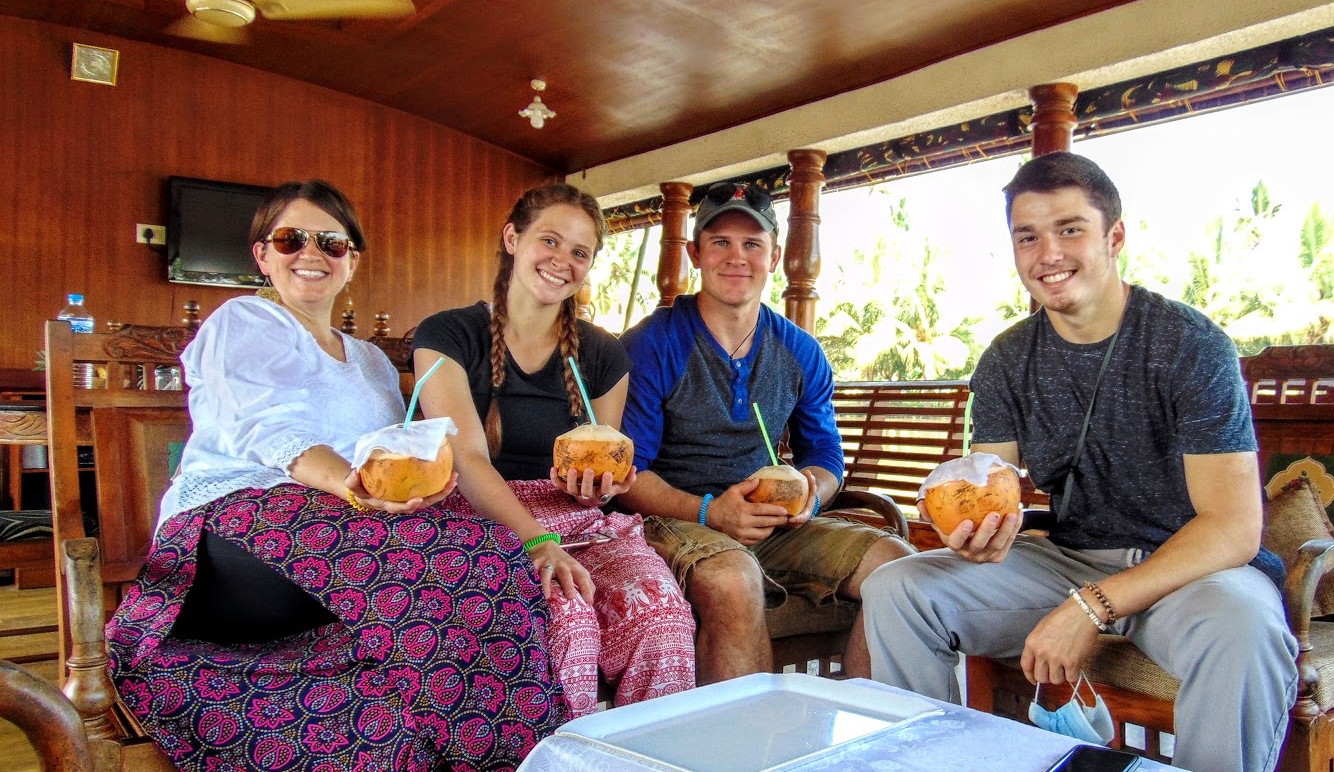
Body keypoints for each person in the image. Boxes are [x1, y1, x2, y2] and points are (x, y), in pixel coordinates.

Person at [107, 180, 567, 772]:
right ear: (262, 255)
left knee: (490, 551)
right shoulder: (245, 321)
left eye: (331, 242)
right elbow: (269, 431)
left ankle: (492, 753)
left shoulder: (372, 360)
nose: (311, 253)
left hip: (343, 530)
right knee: (454, 560)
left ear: (352, 261)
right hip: (235, 526)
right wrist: (350, 482)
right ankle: (512, 756)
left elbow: (394, 450)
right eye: (290, 238)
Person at [861, 152, 1298, 772]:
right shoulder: (1009, 358)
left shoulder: (1189, 345)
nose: (1048, 254)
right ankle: (927, 763)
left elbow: (1232, 526)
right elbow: (992, 483)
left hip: (1188, 572)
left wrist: (1094, 606)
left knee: (1244, 630)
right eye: (1027, 236)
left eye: (1070, 229)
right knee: (899, 587)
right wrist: (981, 536)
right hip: (1065, 559)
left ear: (1114, 237)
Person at [412, 183, 696, 717]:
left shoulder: (603, 355)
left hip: (580, 524)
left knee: (663, 620)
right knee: (567, 617)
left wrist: (601, 488)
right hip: (478, 517)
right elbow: (466, 458)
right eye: (550, 240)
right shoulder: (448, 334)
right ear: (512, 239)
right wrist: (537, 541)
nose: (562, 261)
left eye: (580, 252)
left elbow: (605, 466)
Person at [619, 181, 915, 683]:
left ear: (774, 256)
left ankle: (866, 734)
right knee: (734, 578)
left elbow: (824, 456)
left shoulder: (800, 351)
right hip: (675, 516)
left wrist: (809, 497)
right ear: (696, 253)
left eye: (752, 244)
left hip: (773, 524)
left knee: (901, 566)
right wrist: (711, 510)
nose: (737, 258)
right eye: (720, 243)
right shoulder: (652, 342)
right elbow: (630, 475)